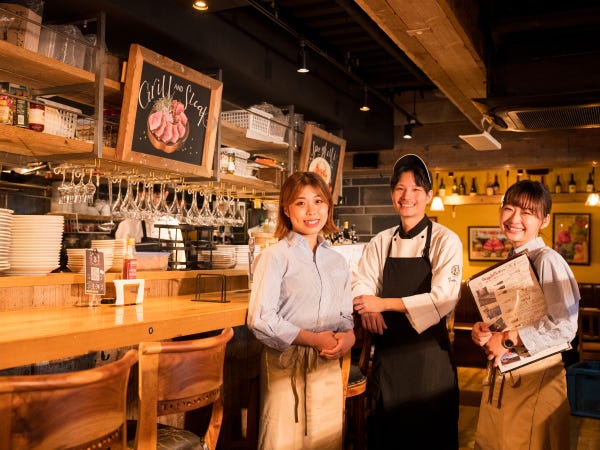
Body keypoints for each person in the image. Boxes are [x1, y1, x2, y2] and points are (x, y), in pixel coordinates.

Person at [352, 154, 463, 450]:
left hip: (429, 358)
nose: (407, 196)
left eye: (416, 189)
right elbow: (361, 281)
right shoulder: (382, 241)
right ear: (392, 194)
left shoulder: (445, 240)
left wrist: (383, 304)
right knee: (386, 435)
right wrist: (366, 308)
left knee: (429, 438)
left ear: (428, 195)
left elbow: (443, 299)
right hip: (388, 357)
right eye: (400, 189)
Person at [247, 171, 355, 450]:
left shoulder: (337, 261)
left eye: (318, 201)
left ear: (328, 206)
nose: (311, 211)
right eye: (301, 203)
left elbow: (345, 317)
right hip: (286, 364)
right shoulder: (274, 257)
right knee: (281, 442)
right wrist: (313, 338)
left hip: (327, 366)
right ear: (286, 209)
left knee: (326, 442)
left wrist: (350, 337)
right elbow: (261, 319)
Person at [471, 180, 579, 450]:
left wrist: (507, 340)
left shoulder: (548, 259)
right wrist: (486, 331)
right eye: (508, 208)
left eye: (527, 212)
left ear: (544, 220)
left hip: (536, 380)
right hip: (506, 377)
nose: (514, 218)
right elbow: (515, 318)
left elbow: (565, 327)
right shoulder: (513, 259)